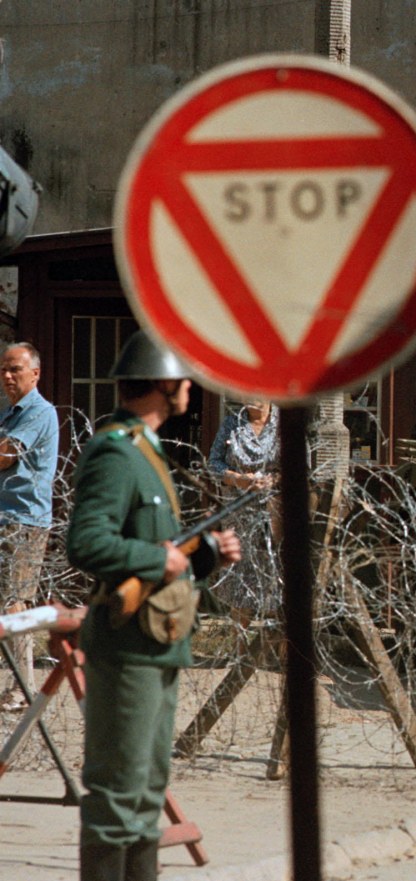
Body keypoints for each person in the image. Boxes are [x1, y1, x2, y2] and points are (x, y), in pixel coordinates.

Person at [68, 331, 241, 881]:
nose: (189, 387)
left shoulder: (148, 449)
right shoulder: (116, 451)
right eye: (184, 378)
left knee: (145, 794)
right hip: (126, 647)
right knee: (118, 796)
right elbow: (88, 543)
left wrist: (204, 556)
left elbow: (161, 556)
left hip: (158, 643)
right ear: (164, 384)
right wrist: (156, 559)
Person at [0, 342, 59, 712]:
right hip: (5, 516)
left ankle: (22, 687)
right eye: (4, 369)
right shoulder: (9, 414)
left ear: (34, 374)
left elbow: (5, 456)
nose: (7, 376)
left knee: (14, 603)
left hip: (23, 521)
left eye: (15, 369)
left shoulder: (39, 412)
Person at [208, 398, 281, 626]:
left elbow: (302, 466)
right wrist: (238, 479)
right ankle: (241, 649)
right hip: (239, 512)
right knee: (240, 581)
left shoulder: (284, 425)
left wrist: (274, 480)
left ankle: (275, 649)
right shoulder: (232, 424)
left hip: (275, 511)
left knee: (275, 575)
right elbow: (214, 463)